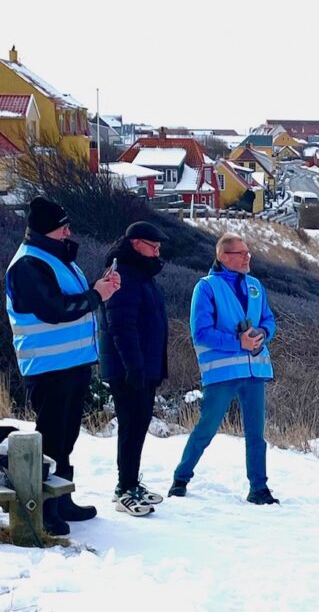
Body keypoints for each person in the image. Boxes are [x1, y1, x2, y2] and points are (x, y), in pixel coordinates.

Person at [4, 196, 120, 536]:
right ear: (45, 231)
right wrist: (97, 295)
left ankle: (62, 498)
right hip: (48, 366)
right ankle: (45, 508)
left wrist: (101, 288)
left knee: (66, 437)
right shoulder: (27, 265)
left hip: (72, 362)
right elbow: (55, 310)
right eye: (62, 227)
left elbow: (71, 301)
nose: (69, 231)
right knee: (52, 438)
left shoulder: (55, 257)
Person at [168, 233, 279, 505]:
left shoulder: (255, 285)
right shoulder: (206, 288)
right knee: (206, 428)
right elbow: (201, 333)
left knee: (256, 434)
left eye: (247, 252)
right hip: (223, 372)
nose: (247, 257)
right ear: (222, 256)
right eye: (240, 253)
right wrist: (237, 342)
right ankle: (180, 478)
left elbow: (269, 319)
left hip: (255, 371)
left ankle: (259, 489)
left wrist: (263, 333)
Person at [98, 221, 171, 517]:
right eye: (153, 247)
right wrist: (134, 366)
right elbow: (121, 326)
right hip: (129, 367)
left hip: (143, 364)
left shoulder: (140, 273)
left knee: (139, 424)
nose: (157, 253)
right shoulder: (123, 274)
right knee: (130, 425)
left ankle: (130, 482)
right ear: (137, 244)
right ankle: (124, 487)